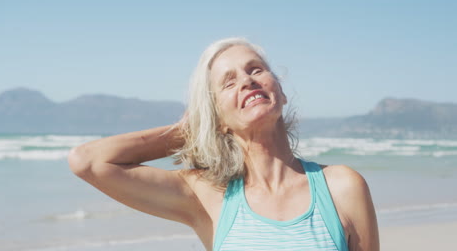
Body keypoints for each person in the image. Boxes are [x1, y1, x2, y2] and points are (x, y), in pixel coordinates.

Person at [68, 37, 380, 251]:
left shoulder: (342, 187)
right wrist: (197, 128)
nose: (247, 81)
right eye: (229, 82)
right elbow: (88, 161)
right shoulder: (207, 195)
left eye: (255, 69)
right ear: (217, 116)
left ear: (281, 92)